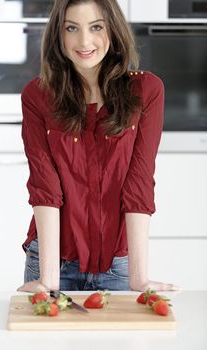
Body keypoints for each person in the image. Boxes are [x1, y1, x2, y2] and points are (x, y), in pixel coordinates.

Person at [17, 0, 180, 293]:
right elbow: (45, 186)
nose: (84, 41)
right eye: (71, 28)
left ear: (113, 30)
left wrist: (139, 277)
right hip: (52, 262)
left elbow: (139, 182)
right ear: (59, 35)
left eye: (96, 27)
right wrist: (49, 279)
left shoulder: (146, 91)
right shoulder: (38, 96)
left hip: (119, 266)